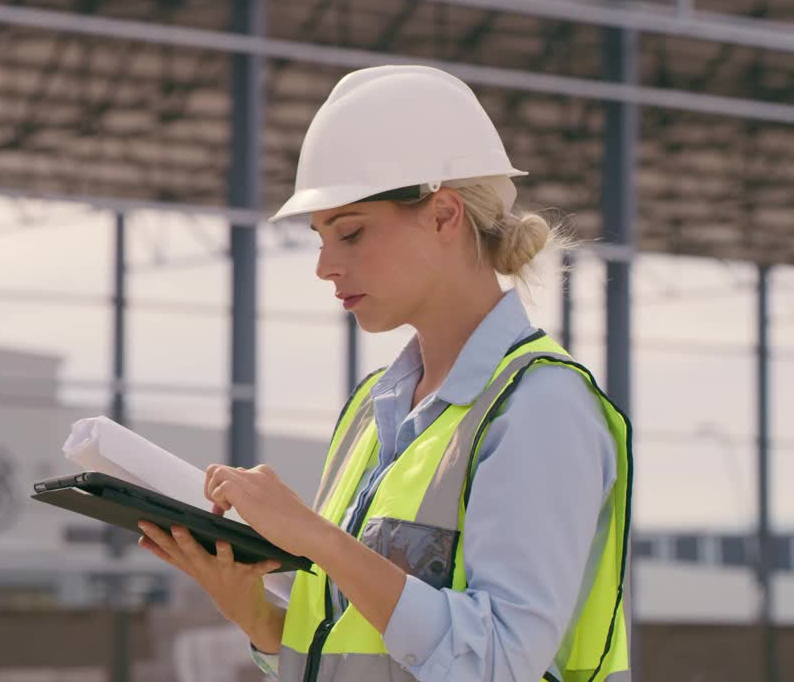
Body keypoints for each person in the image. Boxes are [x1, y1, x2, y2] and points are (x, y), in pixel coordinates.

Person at [134, 65, 632, 682]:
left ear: (445, 216)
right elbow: (366, 653)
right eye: (320, 237)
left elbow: (500, 660)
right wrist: (258, 616)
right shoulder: (375, 410)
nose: (324, 266)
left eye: (350, 233)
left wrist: (315, 537)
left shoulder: (539, 409)